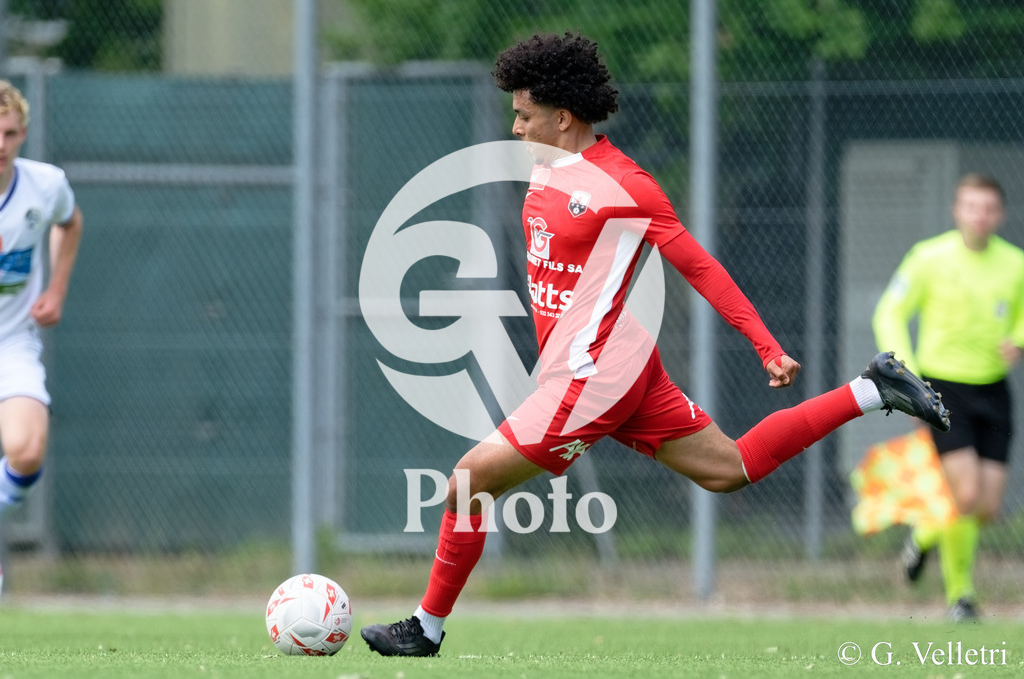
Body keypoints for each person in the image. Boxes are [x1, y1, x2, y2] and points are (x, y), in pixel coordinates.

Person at [361, 32, 949, 656]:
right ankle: (872, 388)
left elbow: (698, 266)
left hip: (593, 375)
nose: (514, 127)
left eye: (523, 115)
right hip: (615, 360)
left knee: (466, 484)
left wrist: (765, 345)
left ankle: (425, 629)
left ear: (562, 118)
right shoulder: (545, 169)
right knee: (731, 469)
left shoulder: (627, 186)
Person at [873, 173, 1023, 623]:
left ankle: (923, 535)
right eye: (971, 206)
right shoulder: (928, 258)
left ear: (1000, 214)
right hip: (943, 388)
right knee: (968, 493)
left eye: (989, 208)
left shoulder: (1015, 263)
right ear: (957, 210)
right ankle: (962, 597)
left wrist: (1018, 338)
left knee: (988, 507)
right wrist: (909, 376)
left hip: (994, 390)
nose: (980, 216)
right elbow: (890, 310)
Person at [0, 80, 84, 593]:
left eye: (9, 133)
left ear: (23, 133)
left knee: (27, 449)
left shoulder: (44, 185)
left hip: (12, 341)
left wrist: (56, 288)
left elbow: (69, 223)